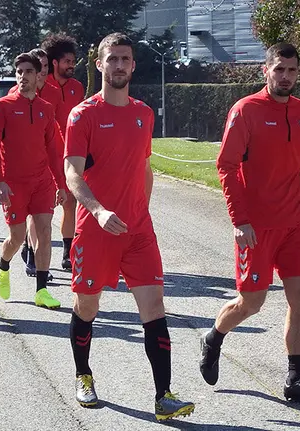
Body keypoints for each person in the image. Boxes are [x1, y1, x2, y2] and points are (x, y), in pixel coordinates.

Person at [64, 33, 194, 421]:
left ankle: (163, 396)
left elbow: (144, 167)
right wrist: (100, 211)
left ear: (133, 66)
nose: (119, 65)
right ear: (100, 64)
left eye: (125, 59)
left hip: (138, 232)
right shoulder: (83, 114)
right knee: (87, 305)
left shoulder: (144, 113)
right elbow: (72, 172)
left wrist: (143, 213)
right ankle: (83, 374)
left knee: (154, 307)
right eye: (112, 59)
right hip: (96, 228)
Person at [199, 42, 300, 406]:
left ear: (298, 73)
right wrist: (240, 221)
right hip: (256, 226)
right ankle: (213, 337)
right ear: (265, 70)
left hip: (294, 223)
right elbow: (225, 165)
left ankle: (294, 378)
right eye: (279, 69)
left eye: (291, 70)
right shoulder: (246, 110)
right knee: (251, 303)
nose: (285, 76)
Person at [0, 52, 67, 310]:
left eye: (28, 72)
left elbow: (54, 150)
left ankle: (41, 290)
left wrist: (61, 184)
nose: (23, 76)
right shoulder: (2, 106)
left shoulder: (46, 109)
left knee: (44, 232)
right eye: (19, 72)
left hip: (41, 182)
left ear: (38, 75)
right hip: (14, 183)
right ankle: (3, 266)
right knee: (17, 237)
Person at [9, 48, 64, 279]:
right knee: (25, 224)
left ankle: (36, 265)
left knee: (43, 221)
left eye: (42, 67)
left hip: (44, 168)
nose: (38, 73)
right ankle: (27, 250)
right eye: (33, 68)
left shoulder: (53, 94)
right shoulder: (14, 96)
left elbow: (54, 131)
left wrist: (61, 171)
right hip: (19, 175)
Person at [41, 33, 85, 271]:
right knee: (42, 209)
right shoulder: (41, 84)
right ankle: (33, 249)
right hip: (43, 156)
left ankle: (67, 253)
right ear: (55, 62)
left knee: (70, 204)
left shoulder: (78, 87)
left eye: (73, 61)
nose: (72, 65)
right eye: (67, 61)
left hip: (70, 157)